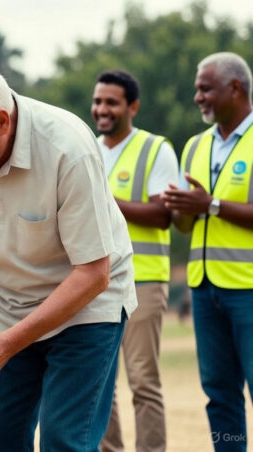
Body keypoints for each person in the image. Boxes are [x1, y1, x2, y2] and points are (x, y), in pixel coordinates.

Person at [0, 63, 137, 452]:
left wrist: (10, 343)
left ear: (1, 121)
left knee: (64, 440)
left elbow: (93, 273)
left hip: (87, 307)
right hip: (6, 306)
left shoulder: (69, 149)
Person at [161, 52, 253, 451]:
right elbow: (188, 221)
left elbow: (210, 206)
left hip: (247, 289)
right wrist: (180, 210)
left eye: (205, 89)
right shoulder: (195, 146)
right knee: (219, 394)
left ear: (235, 88)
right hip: (204, 290)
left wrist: (211, 205)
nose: (197, 97)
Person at [91, 70, 178, 452]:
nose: (102, 109)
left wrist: (105, 201)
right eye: (98, 101)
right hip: (94, 284)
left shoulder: (156, 149)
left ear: (133, 107)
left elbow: (163, 215)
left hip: (143, 280)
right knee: (100, 386)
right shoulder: (88, 149)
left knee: (143, 383)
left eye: (111, 102)